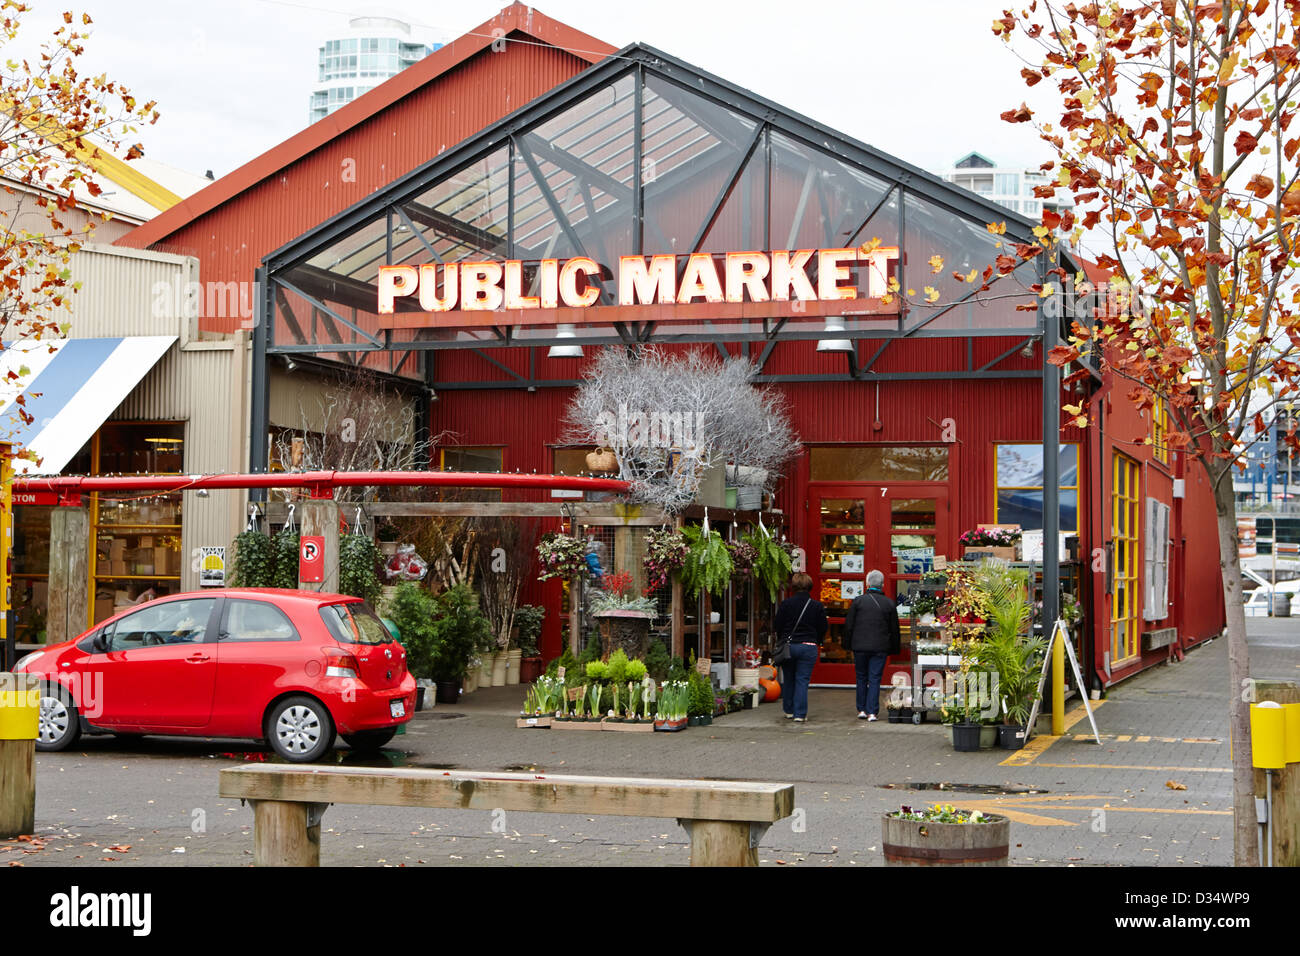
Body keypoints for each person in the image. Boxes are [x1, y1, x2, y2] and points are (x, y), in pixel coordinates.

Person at [843, 569, 901, 721]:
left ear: (867, 583)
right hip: (880, 647)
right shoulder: (888, 603)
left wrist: (848, 645)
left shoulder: (858, 601)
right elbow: (894, 629)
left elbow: (849, 625)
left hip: (860, 646)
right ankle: (872, 712)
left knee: (861, 677)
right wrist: (894, 648)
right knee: (874, 678)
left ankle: (861, 709)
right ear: (882, 584)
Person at [774, 572, 827, 722]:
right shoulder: (816, 606)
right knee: (802, 680)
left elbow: (777, 625)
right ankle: (800, 714)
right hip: (808, 646)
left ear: (794, 586)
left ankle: (789, 710)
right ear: (809, 586)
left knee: (789, 678)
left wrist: (782, 638)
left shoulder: (786, 604)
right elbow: (823, 626)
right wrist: (818, 640)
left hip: (789, 646)